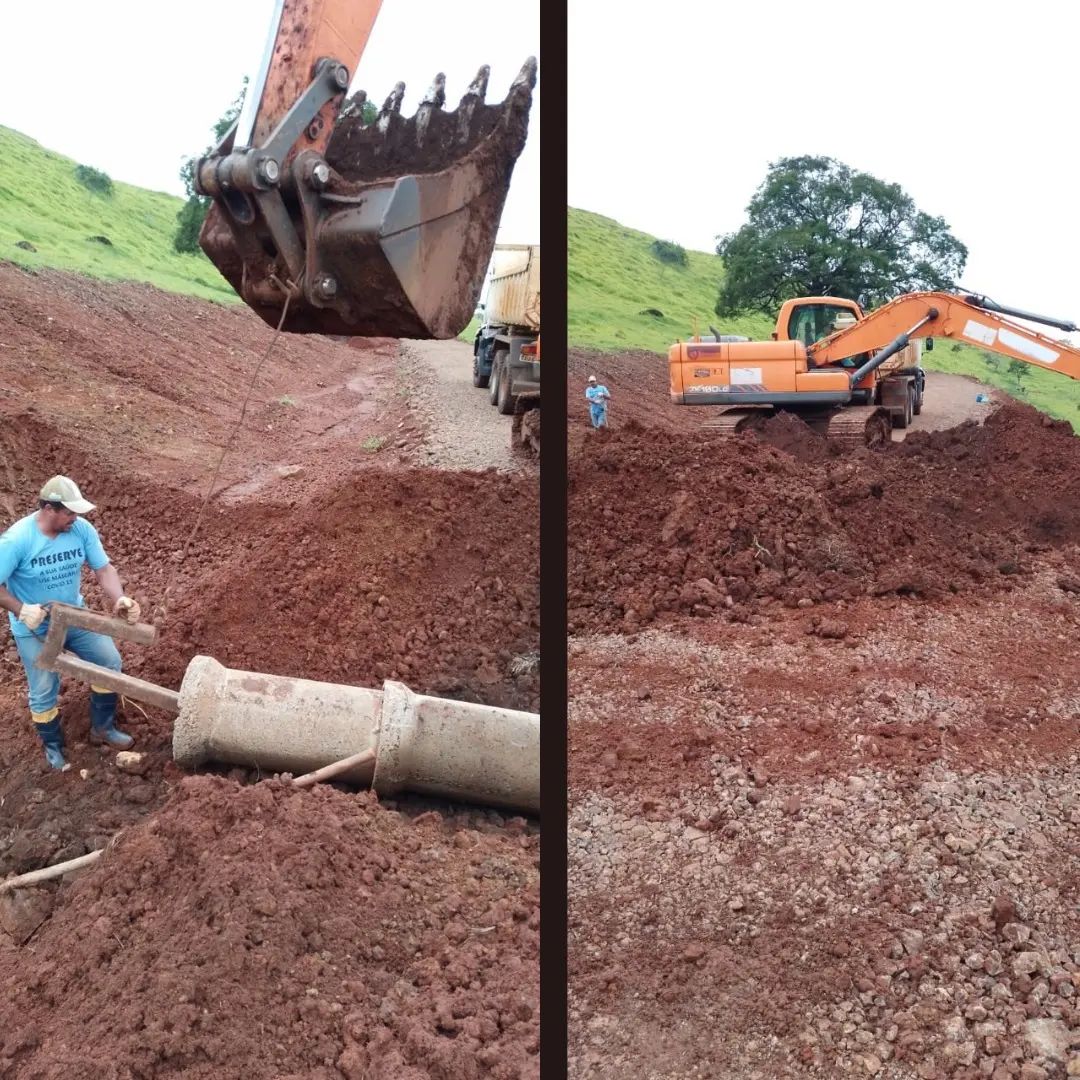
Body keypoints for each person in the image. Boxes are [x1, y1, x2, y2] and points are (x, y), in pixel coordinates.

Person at [0, 475, 142, 770]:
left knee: (108, 661)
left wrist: (120, 599)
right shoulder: (17, 540)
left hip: (74, 616)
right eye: (69, 512)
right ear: (49, 509)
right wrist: (21, 609)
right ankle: (53, 747)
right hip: (34, 626)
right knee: (43, 689)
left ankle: (102, 729)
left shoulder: (81, 530)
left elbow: (103, 570)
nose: (75, 518)